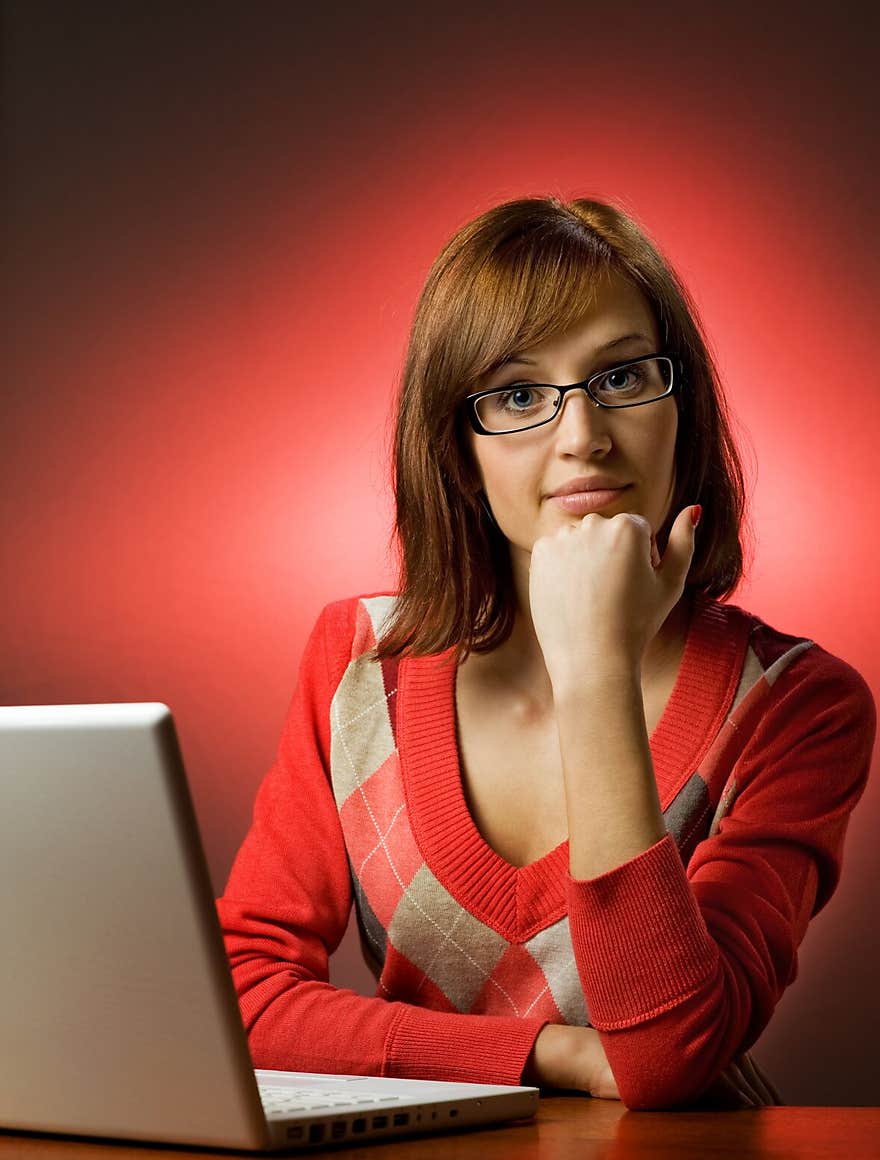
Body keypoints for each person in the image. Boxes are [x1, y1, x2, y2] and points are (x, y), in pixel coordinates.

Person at [217, 196, 876, 1110]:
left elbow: (665, 1056)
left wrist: (595, 670)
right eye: (519, 395)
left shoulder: (799, 704)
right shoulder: (359, 662)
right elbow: (241, 998)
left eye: (622, 378)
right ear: (459, 448)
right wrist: (553, 1056)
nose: (583, 438)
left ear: (680, 402)